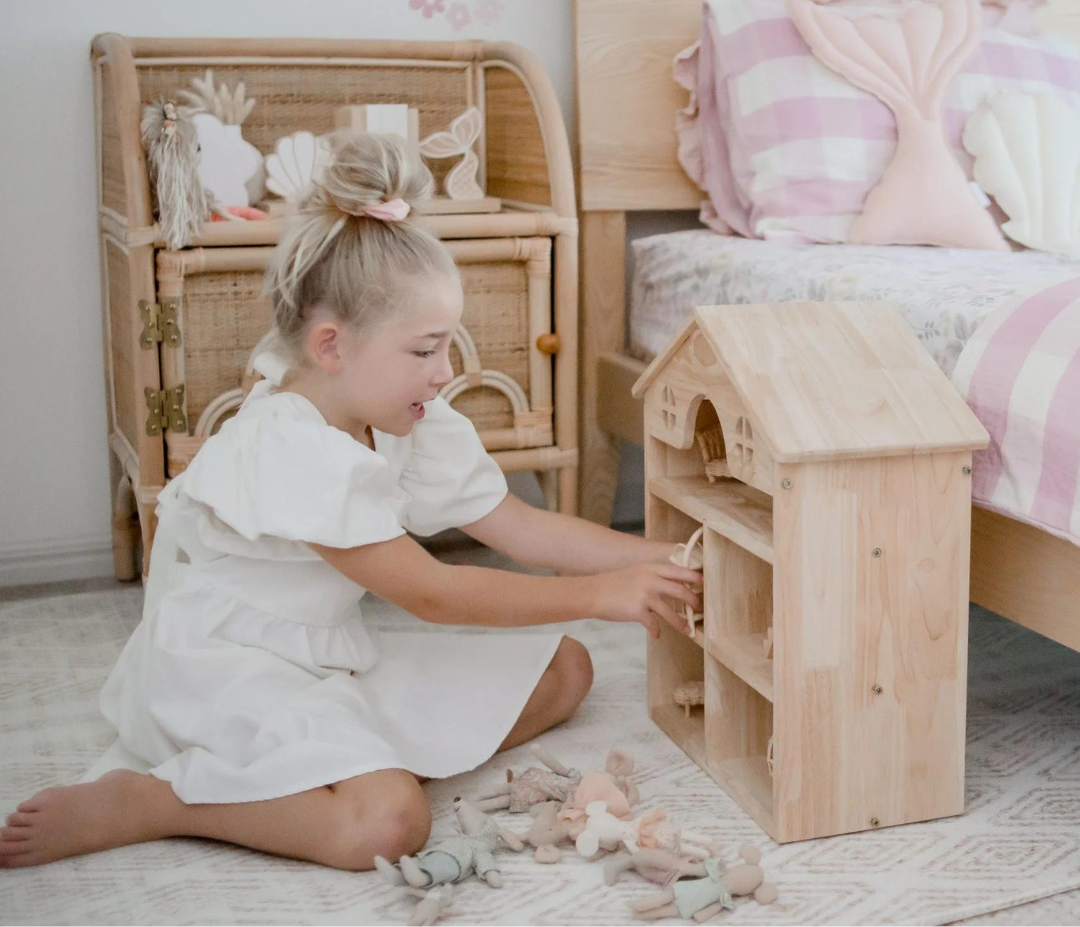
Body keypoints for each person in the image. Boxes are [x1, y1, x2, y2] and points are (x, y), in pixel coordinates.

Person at [0, 133, 700, 871]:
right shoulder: (289, 444)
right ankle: (161, 800)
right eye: (425, 350)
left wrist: (673, 559)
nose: (445, 372)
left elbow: (522, 528)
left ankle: (315, 780)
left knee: (566, 669)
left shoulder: (400, 417)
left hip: (324, 656)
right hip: (228, 667)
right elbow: (433, 594)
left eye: (447, 347)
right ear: (331, 347)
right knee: (392, 824)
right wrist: (599, 593)